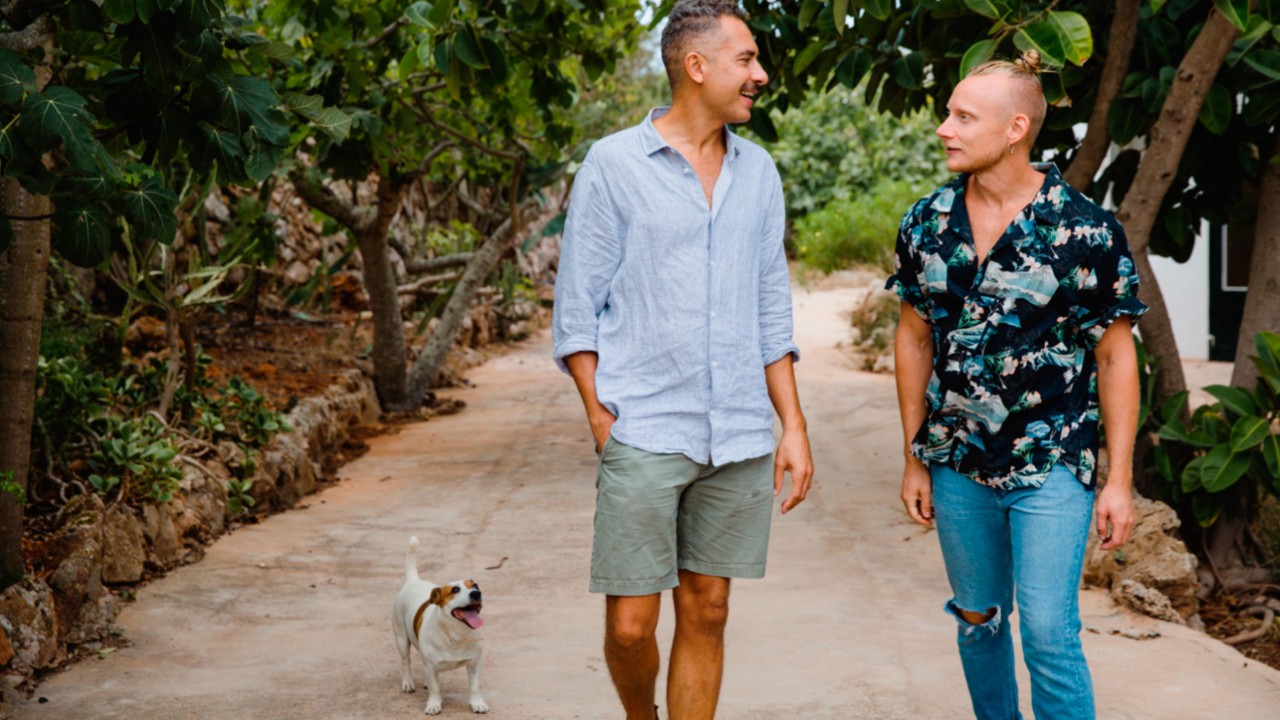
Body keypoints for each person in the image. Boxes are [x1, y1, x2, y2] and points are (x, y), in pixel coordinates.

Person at [551, 2, 814, 718]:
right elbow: (578, 307)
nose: (760, 74)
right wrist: (600, 417)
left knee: (709, 609)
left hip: (736, 432)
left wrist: (791, 425)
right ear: (696, 67)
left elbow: (770, 308)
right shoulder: (612, 165)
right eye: (747, 59)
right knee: (632, 625)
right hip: (643, 425)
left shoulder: (759, 174)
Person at [887, 50, 1146, 720]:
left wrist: (1118, 479)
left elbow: (1117, 357)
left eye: (963, 116)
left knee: (1048, 632)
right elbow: (913, 337)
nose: (945, 127)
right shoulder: (926, 223)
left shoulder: (1084, 228)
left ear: (1015, 128)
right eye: (948, 112)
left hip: (1053, 456)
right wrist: (913, 456)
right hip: (957, 459)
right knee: (979, 620)